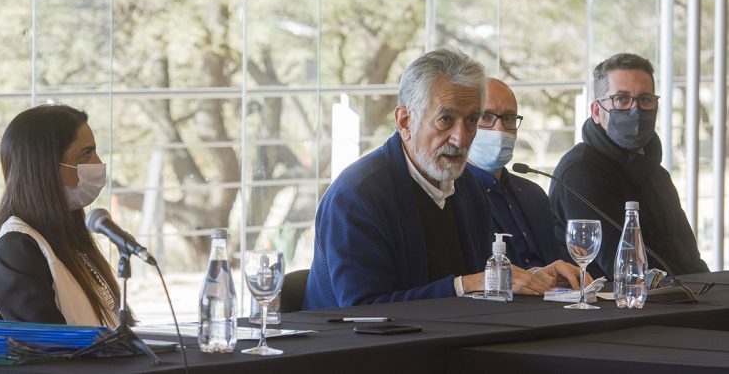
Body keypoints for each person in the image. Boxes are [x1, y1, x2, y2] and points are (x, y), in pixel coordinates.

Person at [303, 48, 581, 310]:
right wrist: (464, 285)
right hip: (358, 356)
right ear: (404, 122)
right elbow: (362, 310)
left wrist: (533, 278)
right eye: (445, 119)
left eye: (472, 120)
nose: (461, 138)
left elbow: (483, 279)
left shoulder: (467, 186)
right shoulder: (357, 195)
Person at [549, 53, 709, 279]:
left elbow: (690, 255)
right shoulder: (581, 172)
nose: (635, 110)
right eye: (622, 99)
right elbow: (623, 267)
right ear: (597, 111)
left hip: (682, 296)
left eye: (645, 99)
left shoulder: (657, 173)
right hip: (616, 307)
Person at [0, 104, 120, 327]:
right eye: (86, 154)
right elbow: (50, 349)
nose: (98, 164)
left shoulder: (67, 236)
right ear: (45, 165)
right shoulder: (15, 249)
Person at [466, 78, 586, 285]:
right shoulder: (454, 195)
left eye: (509, 118)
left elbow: (557, 261)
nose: (500, 129)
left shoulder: (533, 194)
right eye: (486, 117)